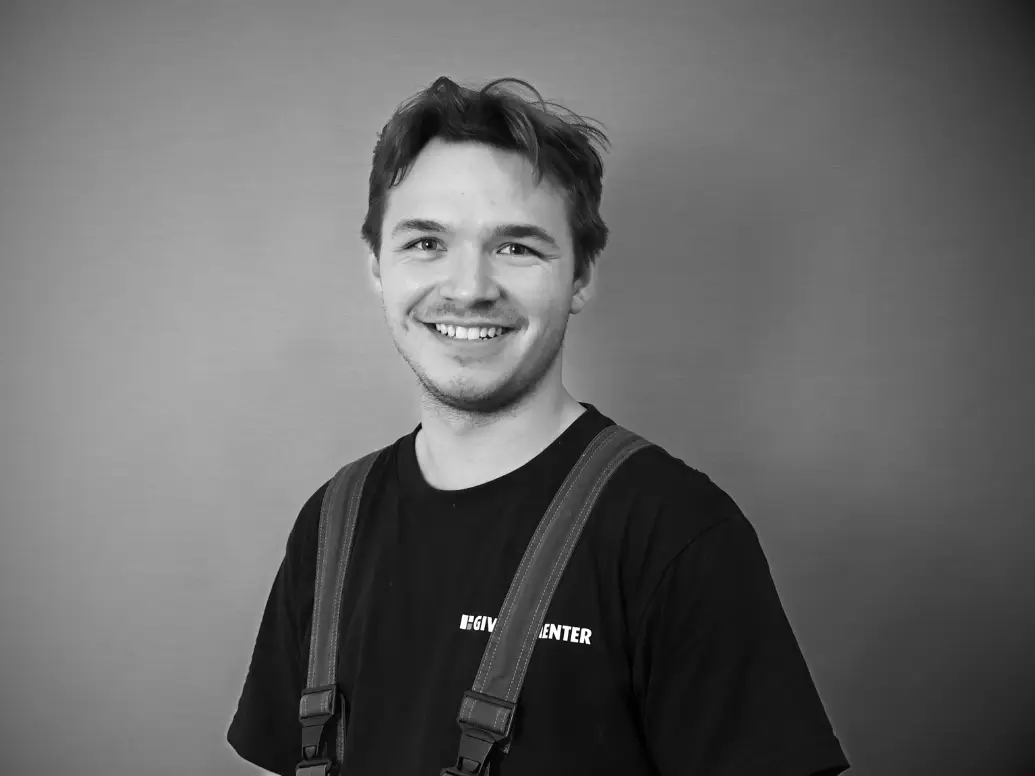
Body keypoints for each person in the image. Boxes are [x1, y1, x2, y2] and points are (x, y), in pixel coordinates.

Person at [227, 75, 850, 775]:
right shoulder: (329, 523)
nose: (468, 288)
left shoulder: (674, 534)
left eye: (516, 247)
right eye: (426, 242)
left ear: (581, 277)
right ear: (377, 267)